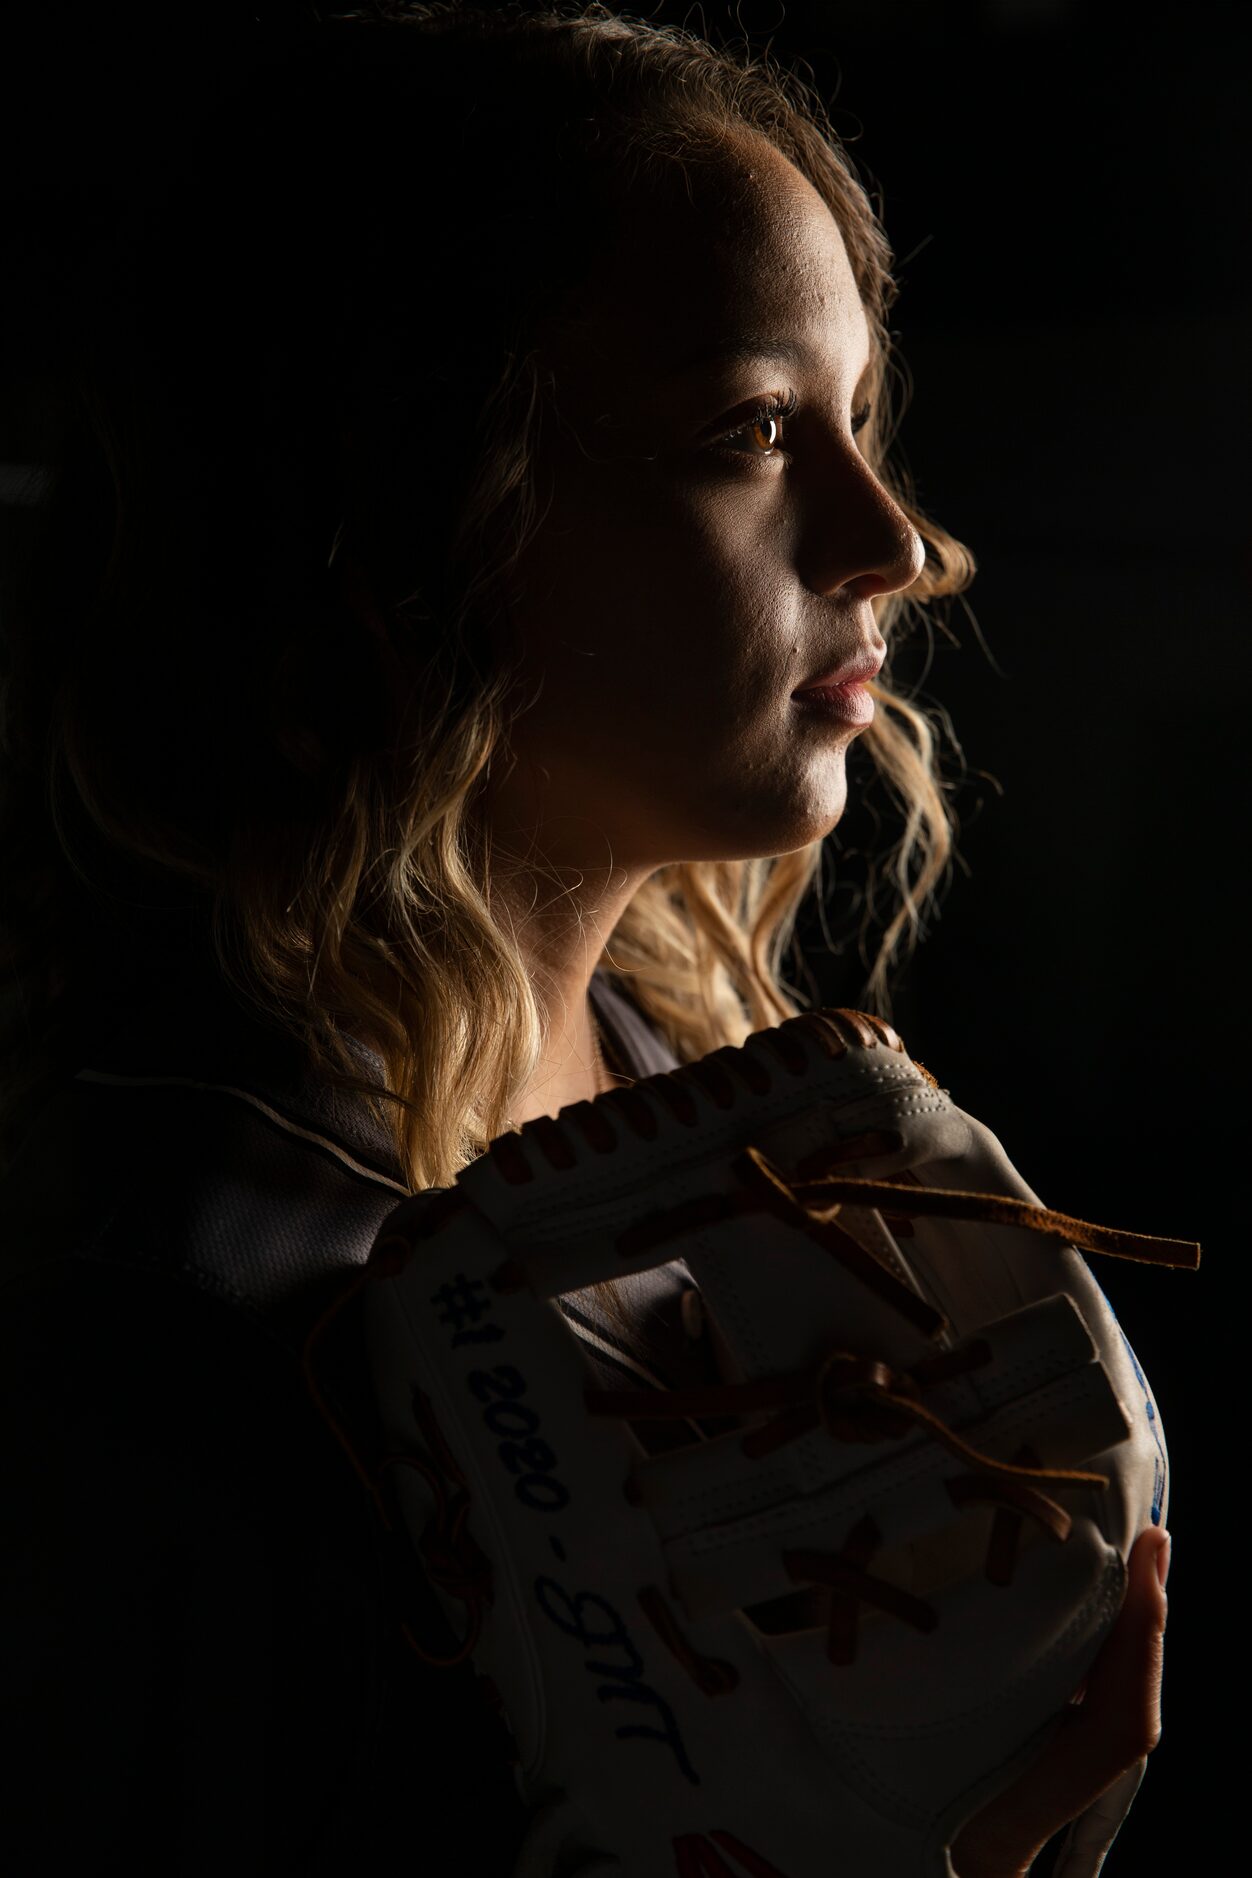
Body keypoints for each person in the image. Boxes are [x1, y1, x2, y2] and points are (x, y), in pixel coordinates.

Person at [0, 4, 1167, 1873]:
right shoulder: (185, 1328)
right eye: (756, 429)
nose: (892, 537)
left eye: (860, 421)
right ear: (420, 516)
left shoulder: (692, 1084)